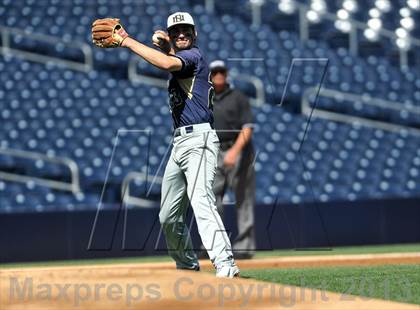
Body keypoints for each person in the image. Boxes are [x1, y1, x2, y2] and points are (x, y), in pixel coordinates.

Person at [91, 12, 239, 277]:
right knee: (168, 217)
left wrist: (126, 40)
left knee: (201, 200)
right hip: (180, 143)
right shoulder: (181, 56)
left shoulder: (195, 56)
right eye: (176, 31)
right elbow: (172, 60)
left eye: (186, 31)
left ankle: (225, 264)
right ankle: (187, 266)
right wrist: (166, 44)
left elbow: (169, 64)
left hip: (200, 141)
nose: (182, 34)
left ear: (195, 35)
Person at [209, 60, 256, 259]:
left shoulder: (238, 97)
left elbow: (248, 128)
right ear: (210, 75)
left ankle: (245, 246)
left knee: (243, 198)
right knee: (212, 200)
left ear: (227, 74)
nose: (218, 74)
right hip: (213, 150)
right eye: (215, 71)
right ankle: (215, 246)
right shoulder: (205, 97)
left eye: (222, 71)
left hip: (238, 150)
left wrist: (234, 151)